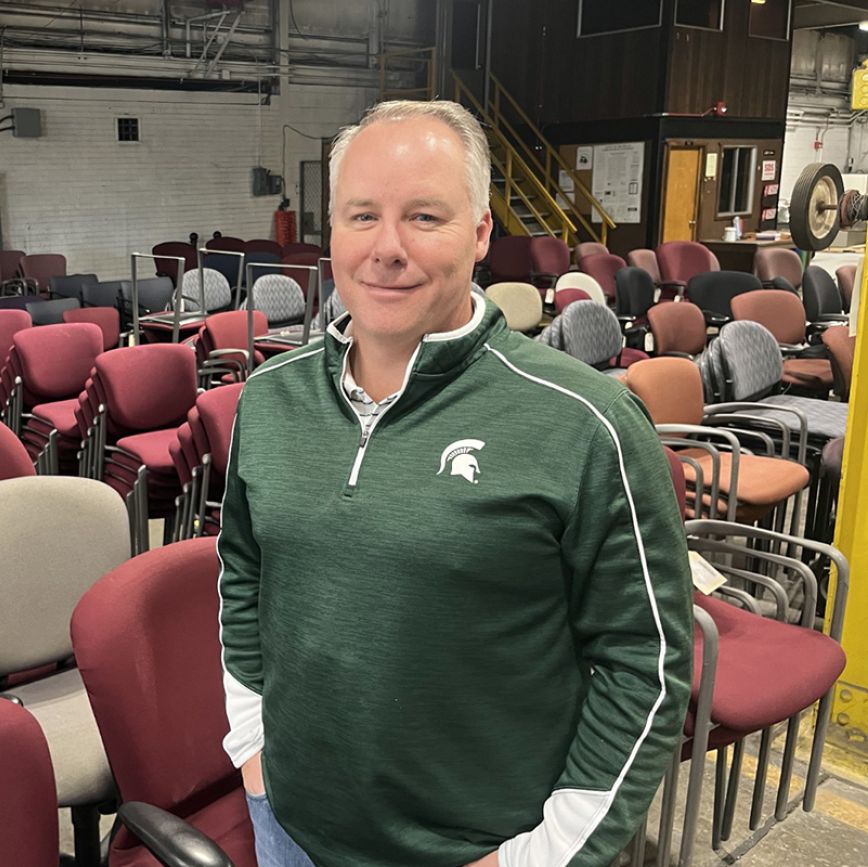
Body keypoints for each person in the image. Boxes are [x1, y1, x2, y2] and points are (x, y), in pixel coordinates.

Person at [217, 100, 692, 867]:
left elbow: (647, 662)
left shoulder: (585, 422)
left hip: (480, 849)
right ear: (331, 231)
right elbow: (241, 572)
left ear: (478, 234)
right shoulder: (269, 400)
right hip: (290, 823)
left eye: (425, 216)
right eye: (362, 215)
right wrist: (253, 742)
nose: (387, 248)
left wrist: (540, 855)